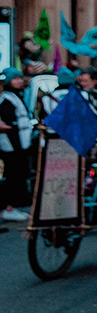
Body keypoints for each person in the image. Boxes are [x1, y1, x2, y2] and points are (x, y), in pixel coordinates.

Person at [0, 68, 32, 223]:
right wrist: (17, 147)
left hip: (19, 145)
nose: (20, 81)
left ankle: (12, 206)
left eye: (21, 78)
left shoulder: (15, 96)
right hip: (13, 147)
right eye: (16, 79)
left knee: (18, 176)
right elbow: (10, 126)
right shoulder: (7, 99)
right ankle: (9, 208)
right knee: (13, 176)